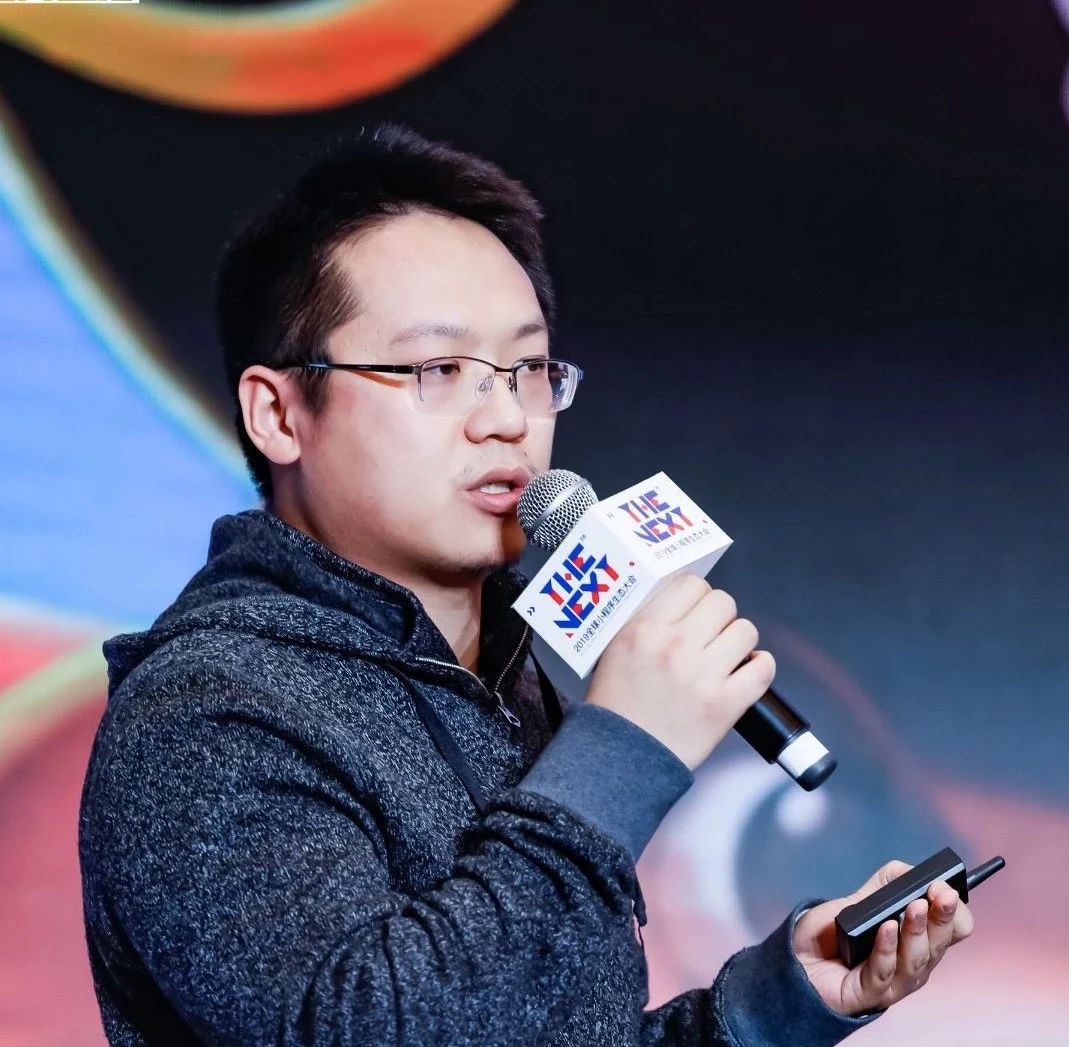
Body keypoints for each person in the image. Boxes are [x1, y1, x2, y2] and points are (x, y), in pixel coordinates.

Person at [78, 123, 973, 1046]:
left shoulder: (505, 673)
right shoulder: (205, 709)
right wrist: (621, 752)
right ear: (277, 412)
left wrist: (772, 1005)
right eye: (439, 369)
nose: (506, 416)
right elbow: (374, 1030)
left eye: (530, 369)